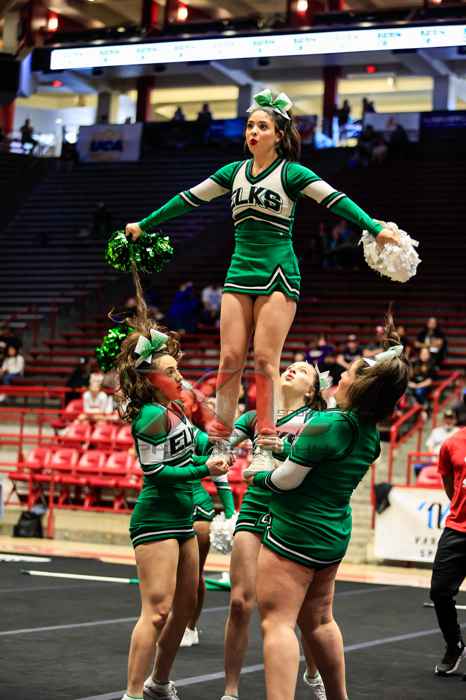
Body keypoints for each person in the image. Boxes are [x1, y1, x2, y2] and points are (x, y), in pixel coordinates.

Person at [125, 88, 400, 474]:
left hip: (278, 273)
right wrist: (145, 224)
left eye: (263, 127)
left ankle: (266, 445)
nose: (253, 132)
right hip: (240, 271)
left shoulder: (292, 173)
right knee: (229, 359)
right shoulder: (233, 172)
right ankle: (221, 440)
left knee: (266, 360)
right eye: (250, 126)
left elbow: (334, 199)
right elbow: (188, 198)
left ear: (279, 134)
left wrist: (373, 226)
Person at [251, 315, 409, 700]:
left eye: (348, 372)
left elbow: (288, 480)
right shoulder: (369, 433)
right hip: (332, 535)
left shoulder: (327, 423)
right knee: (320, 621)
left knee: (278, 623)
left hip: (295, 532)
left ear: (359, 386)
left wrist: (258, 477)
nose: (340, 376)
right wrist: (287, 447)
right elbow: (326, 462)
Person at [115, 271, 229, 700]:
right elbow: (158, 472)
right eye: (171, 372)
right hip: (157, 517)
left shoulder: (177, 411)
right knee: (158, 610)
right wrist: (205, 469)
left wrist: (221, 448)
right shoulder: (150, 415)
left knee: (183, 609)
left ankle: (159, 683)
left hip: (183, 516)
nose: (180, 377)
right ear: (150, 379)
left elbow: (198, 448)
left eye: (178, 370)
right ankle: (131, 693)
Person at [222, 360, 328, 700]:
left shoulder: (318, 421)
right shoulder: (257, 416)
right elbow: (221, 442)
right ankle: (230, 690)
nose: (292, 369)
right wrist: (220, 452)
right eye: (290, 366)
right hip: (255, 507)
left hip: (293, 513)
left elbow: (324, 464)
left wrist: (285, 448)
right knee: (239, 602)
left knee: (306, 611)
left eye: (304, 370)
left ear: (312, 391)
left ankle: (313, 672)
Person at [179, 426, 236, 647]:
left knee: (194, 574)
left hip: (196, 508)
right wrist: (205, 461)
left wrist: (230, 517)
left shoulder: (195, 434)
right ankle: (169, 621)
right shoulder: (157, 426)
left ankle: (190, 627)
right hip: (167, 507)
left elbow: (220, 478)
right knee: (167, 575)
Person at [430, 397, 466, 677]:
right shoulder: (452, 443)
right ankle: (454, 645)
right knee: (440, 592)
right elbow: (449, 484)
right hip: (457, 528)